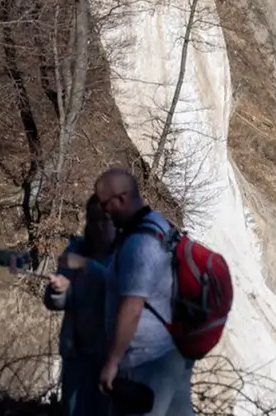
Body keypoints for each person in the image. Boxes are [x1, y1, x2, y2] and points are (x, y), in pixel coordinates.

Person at [95, 167, 194, 416]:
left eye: (105, 204)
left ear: (121, 199)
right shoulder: (159, 225)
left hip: (146, 361)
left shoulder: (139, 244)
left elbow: (132, 306)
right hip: (171, 351)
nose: (104, 212)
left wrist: (113, 361)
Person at [44, 195, 118, 416]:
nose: (99, 226)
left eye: (106, 220)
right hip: (77, 355)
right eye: (94, 219)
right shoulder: (75, 250)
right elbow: (51, 302)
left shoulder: (127, 254)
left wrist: (88, 267)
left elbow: (123, 293)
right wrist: (59, 290)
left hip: (113, 360)